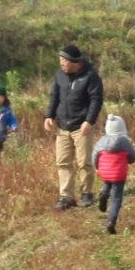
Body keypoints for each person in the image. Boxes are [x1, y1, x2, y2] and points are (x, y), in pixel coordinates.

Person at [44, 43, 104, 210]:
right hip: (62, 126)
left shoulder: (90, 76)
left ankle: (87, 193)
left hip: (81, 127)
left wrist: (89, 121)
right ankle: (67, 197)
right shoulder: (60, 75)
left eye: (64, 60)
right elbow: (54, 96)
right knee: (63, 162)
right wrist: (49, 116)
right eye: (60, 60)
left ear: (74, 62)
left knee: (84, 162)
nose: (61, 63)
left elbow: (96, 100)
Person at [92, 114, 135, 234]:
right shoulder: (124, 141)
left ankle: (103, 195)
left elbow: (94, 155)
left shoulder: (102, 140)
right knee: (116, 198)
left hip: (104, 171)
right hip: (119, 174)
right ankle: (111, 222)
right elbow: (133, 158)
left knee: (107, 182)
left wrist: (96, 167)